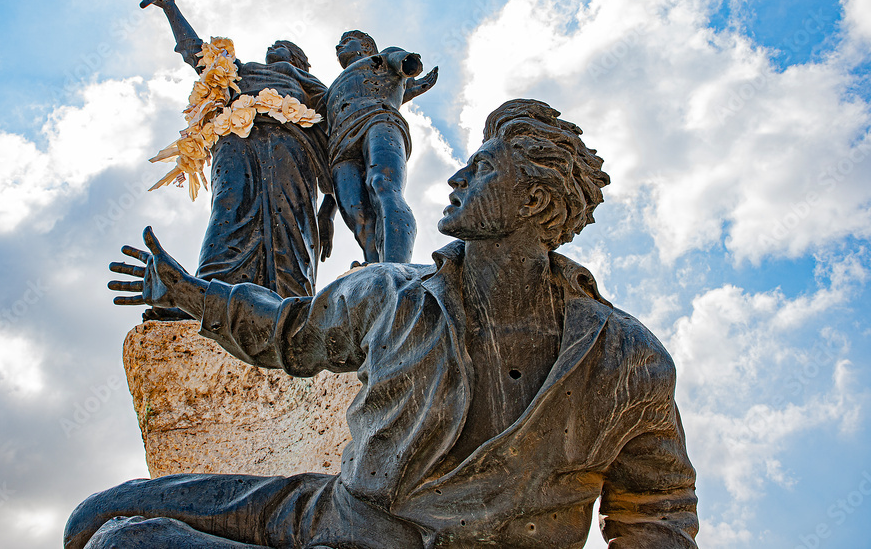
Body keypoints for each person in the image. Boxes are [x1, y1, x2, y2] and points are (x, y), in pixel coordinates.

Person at [69, 99, 699, 548]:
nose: (455, 177)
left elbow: (656, 508)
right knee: (93, 520)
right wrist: (195, 296)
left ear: (533, 202)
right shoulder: (390, 294)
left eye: (481, 169)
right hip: (336, 514)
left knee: (125, 545)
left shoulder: (626, 358)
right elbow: (291, 333)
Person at [144, 0, 337, 318]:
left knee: (289, 223)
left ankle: (292, 312)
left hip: (292, 149)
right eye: (273, 45)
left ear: (298, 62)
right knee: (229, 212)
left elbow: (338, 139)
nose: (274, 47)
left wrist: (330, 208)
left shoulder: (307, 83)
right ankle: (206, 302)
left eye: (285, 47)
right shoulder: (239, 71)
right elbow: (196, 53)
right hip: (236, 142)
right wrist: (169, 5)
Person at [325, 30, 437, 263]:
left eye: (347, 42)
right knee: (356, 214)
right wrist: (326, 212)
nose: (339, 47)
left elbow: (401, 61)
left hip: (379, 119)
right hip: (339, 146)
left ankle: (396, 268)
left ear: (366, 46)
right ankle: (373, 269)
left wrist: (408, 65)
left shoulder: (380, 59)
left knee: (382, 184)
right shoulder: (330, 91)